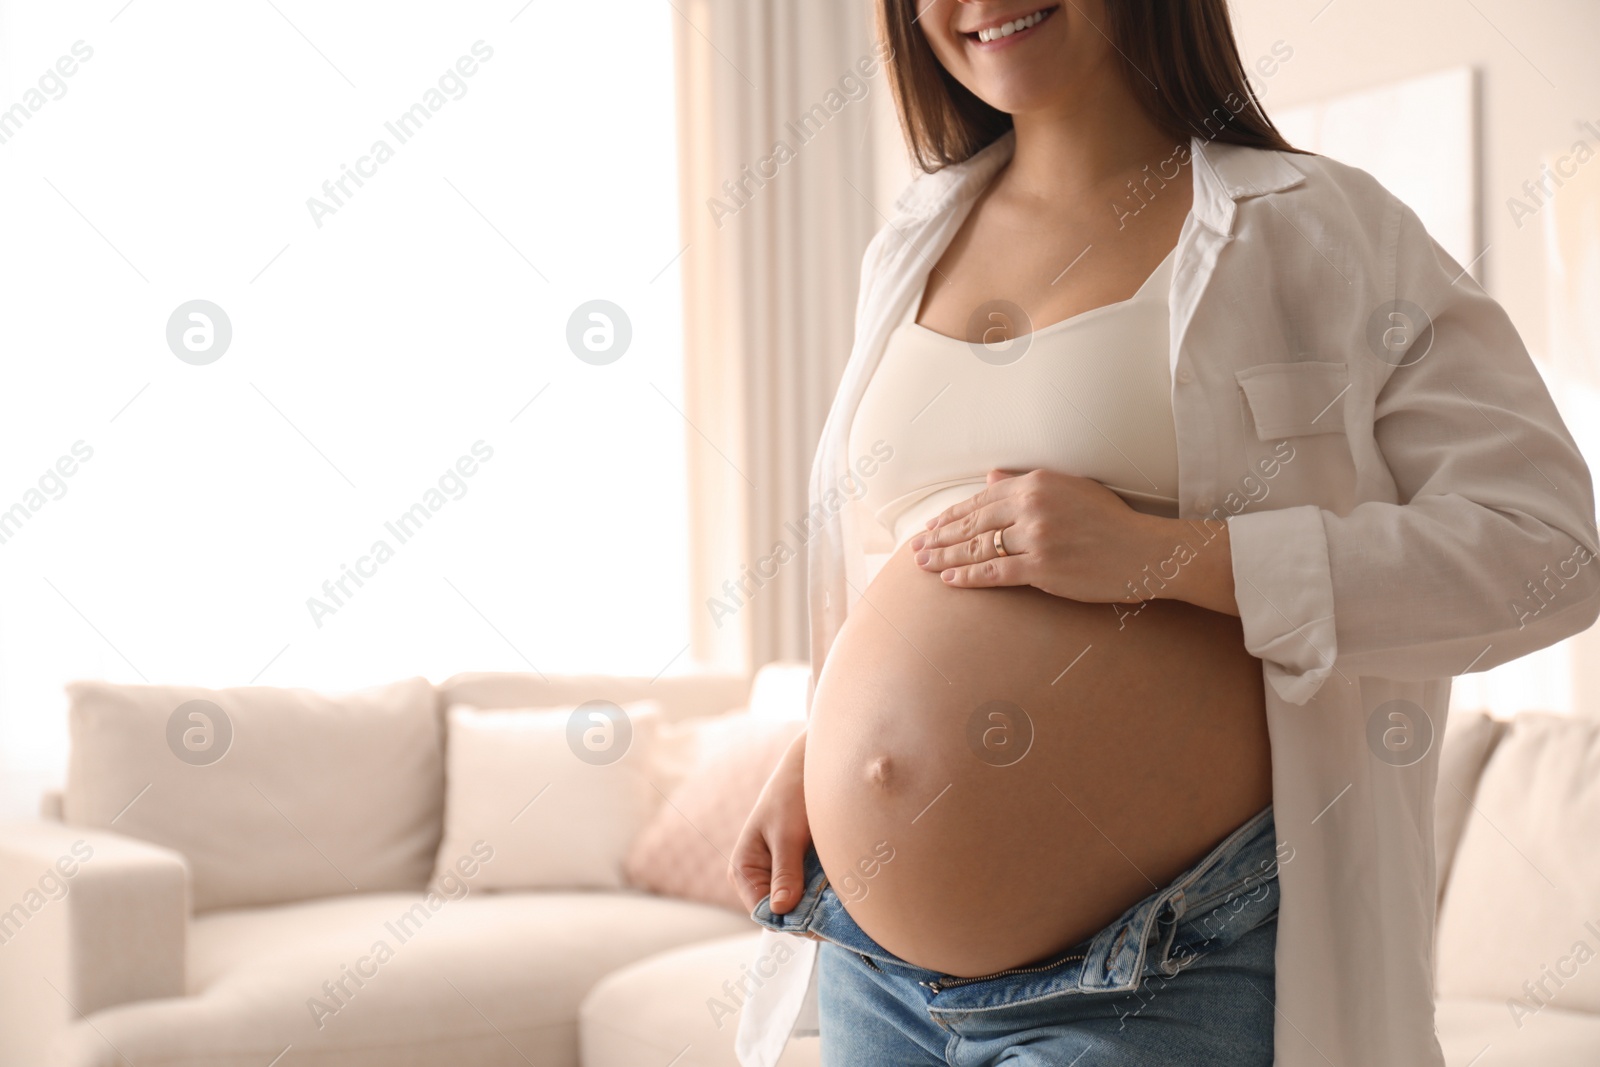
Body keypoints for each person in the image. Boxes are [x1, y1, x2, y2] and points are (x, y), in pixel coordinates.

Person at [729, 2, 1600, 1065]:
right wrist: (823, 744)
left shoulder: (1321, 225)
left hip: (1153, 972)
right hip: (870, 966)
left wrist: (1170, 556)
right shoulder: (908, 241)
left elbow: (1546, 551)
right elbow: (900, 554)